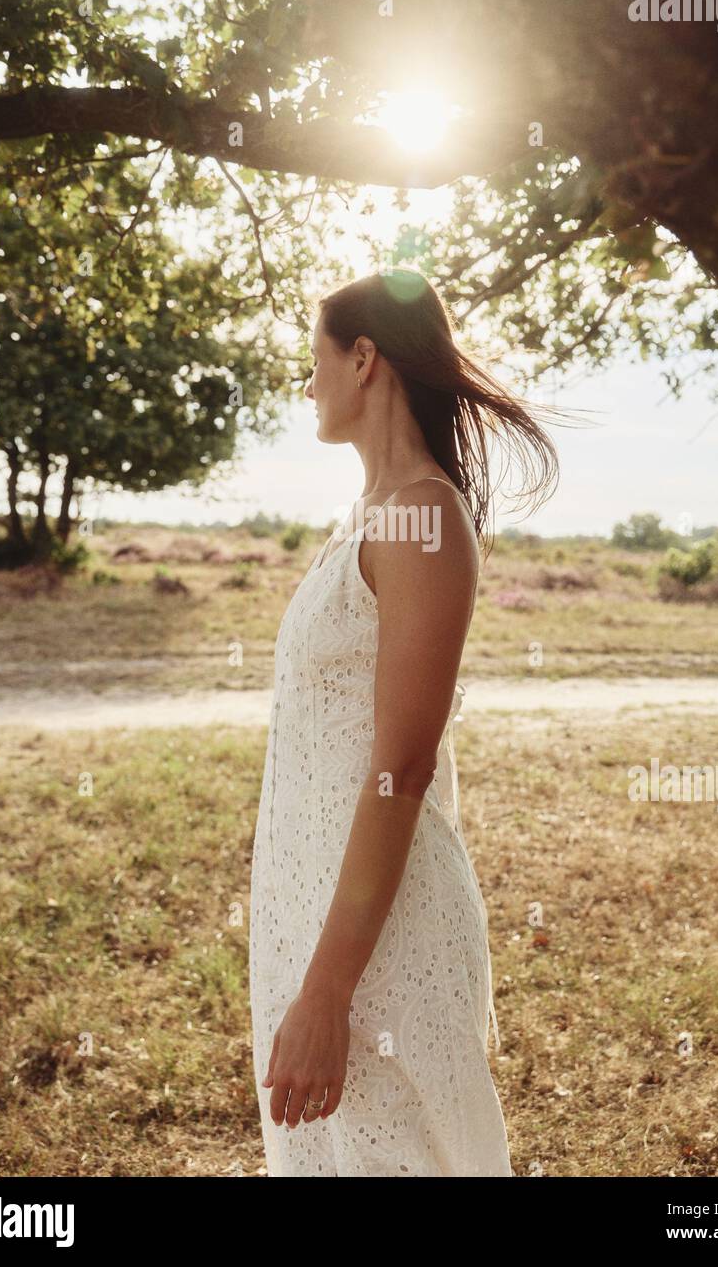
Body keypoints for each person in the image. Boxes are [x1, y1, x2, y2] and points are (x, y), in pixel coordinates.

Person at [249, 267, 562, 1176]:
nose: (305, 385)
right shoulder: (367, 517)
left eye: (313, 360)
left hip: (377, 943)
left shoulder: (425, 517)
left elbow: (404, 769)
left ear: (363, 357)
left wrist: (327, 991)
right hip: (316, 908)